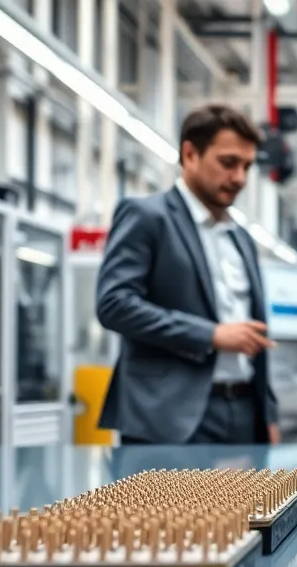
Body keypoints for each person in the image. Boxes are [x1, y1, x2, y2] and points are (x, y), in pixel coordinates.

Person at [95, 104, 281, 445]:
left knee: (243, 503)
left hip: (243, 416)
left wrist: (267, 413)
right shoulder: (147, 217)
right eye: (228, 163)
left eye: (246, 166)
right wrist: (211, 335)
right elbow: (114, 304)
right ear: (191, 154)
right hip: (168, 418)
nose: (239, 177)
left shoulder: (240, 237)